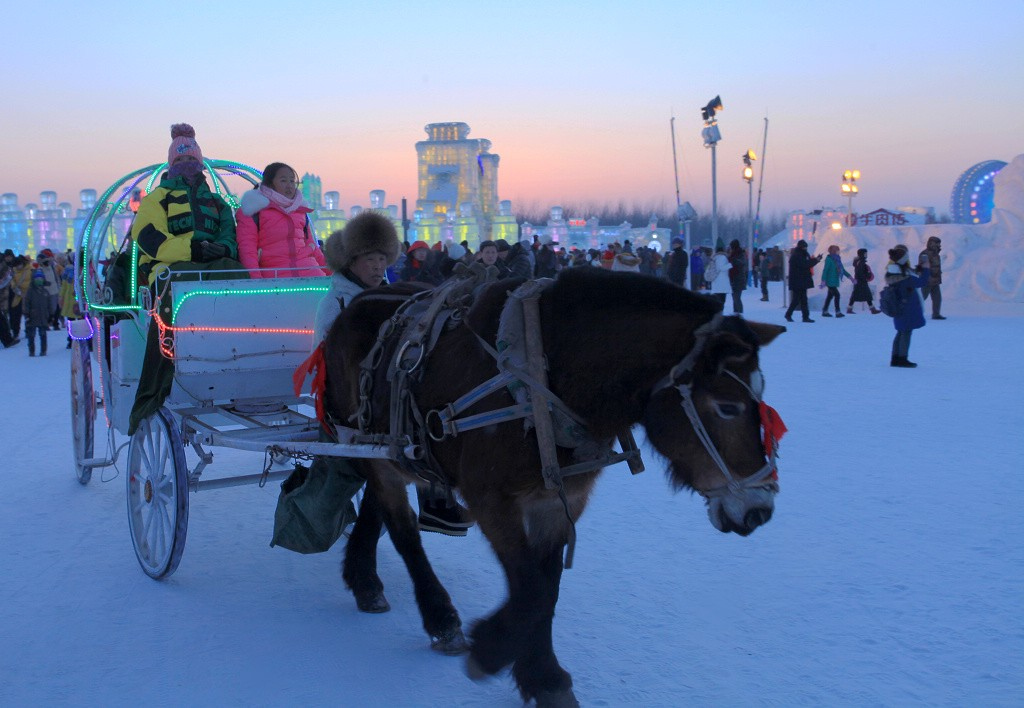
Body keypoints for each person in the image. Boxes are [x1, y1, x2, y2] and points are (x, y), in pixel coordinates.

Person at [313, 212, 473, 536]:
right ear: (351, 261)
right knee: (410, 420)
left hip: (385, 388)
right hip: (352, 396)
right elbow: (327, 357)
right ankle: (431, 503)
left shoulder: (394, 295)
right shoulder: (335, 301)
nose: (376, 266)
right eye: (369, 258)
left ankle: (436, 502)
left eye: (382, 258)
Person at [127, 123, 243, 435]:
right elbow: (148, 237)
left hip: (213, 267)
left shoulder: (219, 203)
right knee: (181, 281)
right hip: (169, 273)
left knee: (239, 276)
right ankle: (161, 374)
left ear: (200, 163)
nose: (186, 165)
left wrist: (224, 248)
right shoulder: (156, 199)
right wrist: (191, 248)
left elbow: (230, 234)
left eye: (191, 160)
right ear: (171, 165)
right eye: (180, 161)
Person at [236, 162, 328, 278]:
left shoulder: (300, 211)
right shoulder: (253, 210)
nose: (289, 185)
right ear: (270, 184)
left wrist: (333, 273)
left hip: (310, 272)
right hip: (274, 276)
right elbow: (247, 250)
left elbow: (312, 246)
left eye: (292, 181)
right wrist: (256, 282)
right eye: (283, 181)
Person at [885, 244, 929, 367]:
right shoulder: (904, 278)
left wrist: (919, 269)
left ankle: (895, 358)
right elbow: (922, 282)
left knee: (900, 332)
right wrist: (926, 269)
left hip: (899, 308)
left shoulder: (893, 271)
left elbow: (910, 274)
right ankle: (902, 359)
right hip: (907, 309)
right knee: (906, 333)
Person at [784, 239, 823, 323]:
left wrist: (816, 259)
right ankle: (792, 315)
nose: (805, 248)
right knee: (797, 300)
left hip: (800, 280)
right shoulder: (797, 255)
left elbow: (807, 263)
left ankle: (803, 316)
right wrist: (816, 260)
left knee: (802, 300)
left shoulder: (801, 254)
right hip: (798, 280)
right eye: (804, 247)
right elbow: (805, 264)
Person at [820, 244, 853, 318]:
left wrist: (850, 277)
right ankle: (837, 312)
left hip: (834, 281)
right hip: (830, 281)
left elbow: (842, 270)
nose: (839, 252)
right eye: (837, 250)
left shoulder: (837, 259)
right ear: (833, 251)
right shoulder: (829, 259)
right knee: (837, 295)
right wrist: (823, 280)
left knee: (830, 296)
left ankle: (825, 311)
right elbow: (825, 270)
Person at [23, 270, 50, 356]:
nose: (39, 280)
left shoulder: (45, 292)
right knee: (31, 335)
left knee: (43, 334)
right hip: (32, 316)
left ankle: (43, 350)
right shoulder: (30, 291)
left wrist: (50, 315)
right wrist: (26, 314)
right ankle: (31, 351)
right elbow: (26, 303)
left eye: (40, 278)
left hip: (43, 316)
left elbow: (49, 305)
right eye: (37, 278)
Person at [918, 236, 945, 319]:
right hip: (927, 281)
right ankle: (912, 312)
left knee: (937, 298)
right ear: (931, 243)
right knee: (922, 298)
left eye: (938, 243)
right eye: (936, 243)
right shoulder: (925, 254)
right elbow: (923, 268)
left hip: (935, 281)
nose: (938, 245)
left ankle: (936, 314)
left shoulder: (936, 254)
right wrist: (927, 277)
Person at [847, 248, 880, 314]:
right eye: (865, 253)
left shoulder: (859, 261)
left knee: (856, 295)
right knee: (867, 295)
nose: (866, 255)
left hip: (859, 281)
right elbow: (860, 272)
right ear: (862, 254)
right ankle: (872, 309)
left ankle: (849, 309)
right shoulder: (861, 261)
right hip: (861, 281)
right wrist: (866, 276)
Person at [727, 239, 747, 314]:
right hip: (734, 279)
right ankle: (736, 313)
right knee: (734, 298)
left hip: (738, 279)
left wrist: (732, 260)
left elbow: (741, 263)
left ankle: (739, 313)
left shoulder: (740, 254)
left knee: (736, 298)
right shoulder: (733, 254)